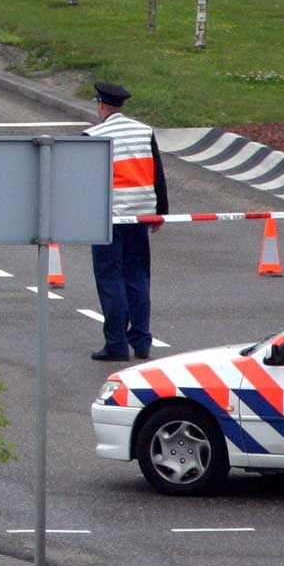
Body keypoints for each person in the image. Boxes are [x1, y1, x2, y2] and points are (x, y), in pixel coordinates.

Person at [84, 81, 168, 362]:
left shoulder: (94, 134)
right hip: (141, 214)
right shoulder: (144, 131)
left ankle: (117, 344)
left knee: (110, 280)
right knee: (138, 278)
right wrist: (160, 212)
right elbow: (157, 172)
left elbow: (86, 182)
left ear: (101, 105)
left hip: (108, 217)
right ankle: (142, 342)